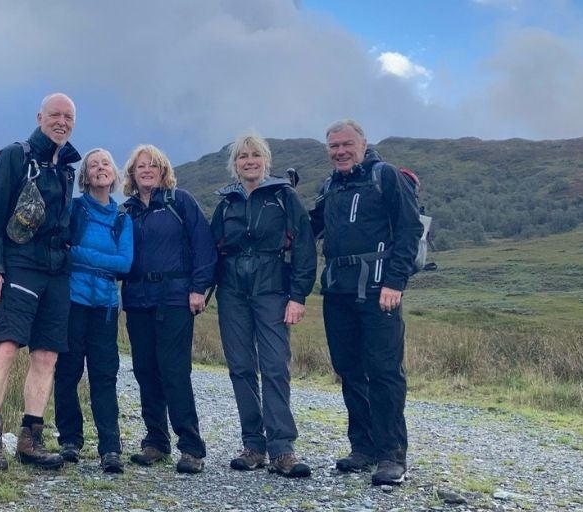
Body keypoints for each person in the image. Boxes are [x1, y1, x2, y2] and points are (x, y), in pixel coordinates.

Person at [309, 119, 424, 486]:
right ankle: (363, 447)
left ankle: (392, 455)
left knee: (385, 371)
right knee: (349, 368)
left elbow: (409, 229)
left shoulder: (385, 176)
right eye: (334, 146)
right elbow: (311, 227)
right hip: (337, 292)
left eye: (347, 144)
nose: (340, 151)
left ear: (362, 144)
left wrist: (395, 282)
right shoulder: (331, 186)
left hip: (379, 291)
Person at [0, 93, 80, 471]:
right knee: (5, 347)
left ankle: (30, 440)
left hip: (56, 271)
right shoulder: (14, 157)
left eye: (68, 117)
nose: (62, 122)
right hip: (18, 266)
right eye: (55, 115)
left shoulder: (66, 168)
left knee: (46, 355)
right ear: (39, 117)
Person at [210, 133, 316, 478]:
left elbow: (304, 247)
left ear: (265, 161)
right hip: (232, 292)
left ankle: (282, 449)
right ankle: (253, 446)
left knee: (274, 367)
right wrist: (198, 289)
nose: (249, 161)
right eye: (243, 156)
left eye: (255, 155)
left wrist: (298, 296)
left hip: (272, 290)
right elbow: (211, 249)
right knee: (240, 367)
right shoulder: (227, 203)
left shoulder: (284, 197)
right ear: (235, 164)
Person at [120, 144, 215, 474]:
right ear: (132, 174)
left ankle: (190, 447)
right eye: (141, 166)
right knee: (145, 370)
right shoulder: (126, 211)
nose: (147, 170)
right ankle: (156, 442)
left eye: (153, 165)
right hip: (137, 300)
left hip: (175, 299)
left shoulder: (180, 201)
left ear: (163, 171)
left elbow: (204, 245)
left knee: (174, 371)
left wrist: (198, 288)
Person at [53, 148, 134, 474]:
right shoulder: (75, 209)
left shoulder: (122, 219)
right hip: (73, 303)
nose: (100, 168)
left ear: (114, 174)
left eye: (106, 164)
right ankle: (70, 441)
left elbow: (124, 264)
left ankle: (110, 448)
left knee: (104, 376)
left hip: (105, 309)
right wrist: (102, 263)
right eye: (93, 165)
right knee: (67, 372)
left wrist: (81, 254)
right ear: (85, 177)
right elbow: (64, 251)